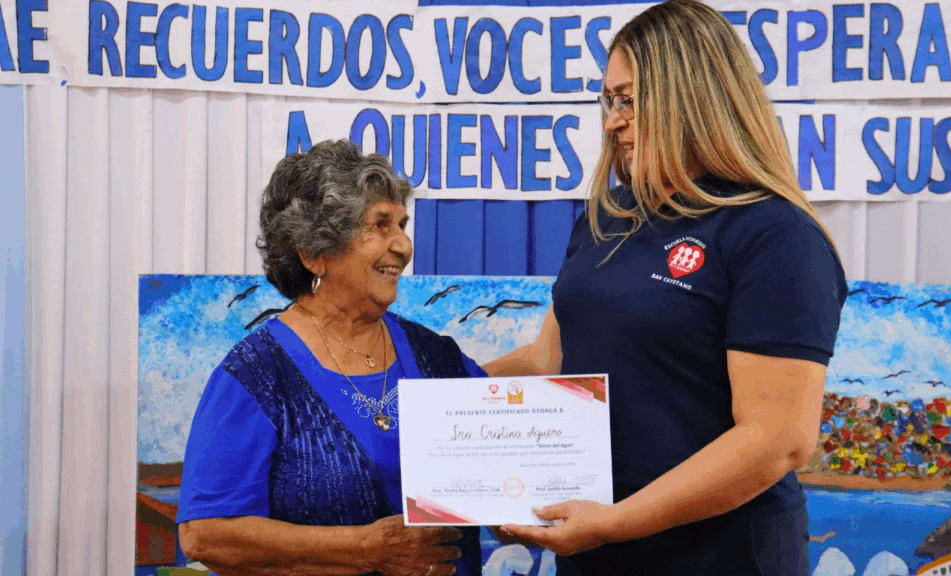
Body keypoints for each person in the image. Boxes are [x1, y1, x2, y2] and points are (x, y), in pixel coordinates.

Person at [486, 2, 847, 575]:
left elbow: (777, 438)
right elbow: (550, 358)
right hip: (595, 550)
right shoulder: (606, 216)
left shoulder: (775, 234)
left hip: (718, 558)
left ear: (692, 96)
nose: (612, 121)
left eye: (629, 100)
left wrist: (615, 521)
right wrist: (436, 393)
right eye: (609, 100)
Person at [177, 139, 483, 576]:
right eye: (381, 225)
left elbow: (505, 435)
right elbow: (205, 534)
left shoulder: (435, 354)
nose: (403, 245)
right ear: (315, 253)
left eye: (403, 224)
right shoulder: (255, 374)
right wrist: (365, 549)